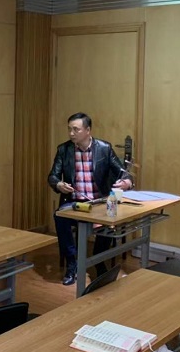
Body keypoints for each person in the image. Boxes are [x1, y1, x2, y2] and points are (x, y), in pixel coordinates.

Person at [47, 112, 132, 286]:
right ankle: (72, 263)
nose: (71, 133)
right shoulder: (64, 150)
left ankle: (99, 260)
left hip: (99, 201)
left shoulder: (104, 148)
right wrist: (59, 184)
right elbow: (52, 176)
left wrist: (127, 182)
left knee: (110, 216)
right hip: (74, 202)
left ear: (87, 130)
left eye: (75, 129)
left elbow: (123, 173)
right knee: (59, 217)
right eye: (69, 129)